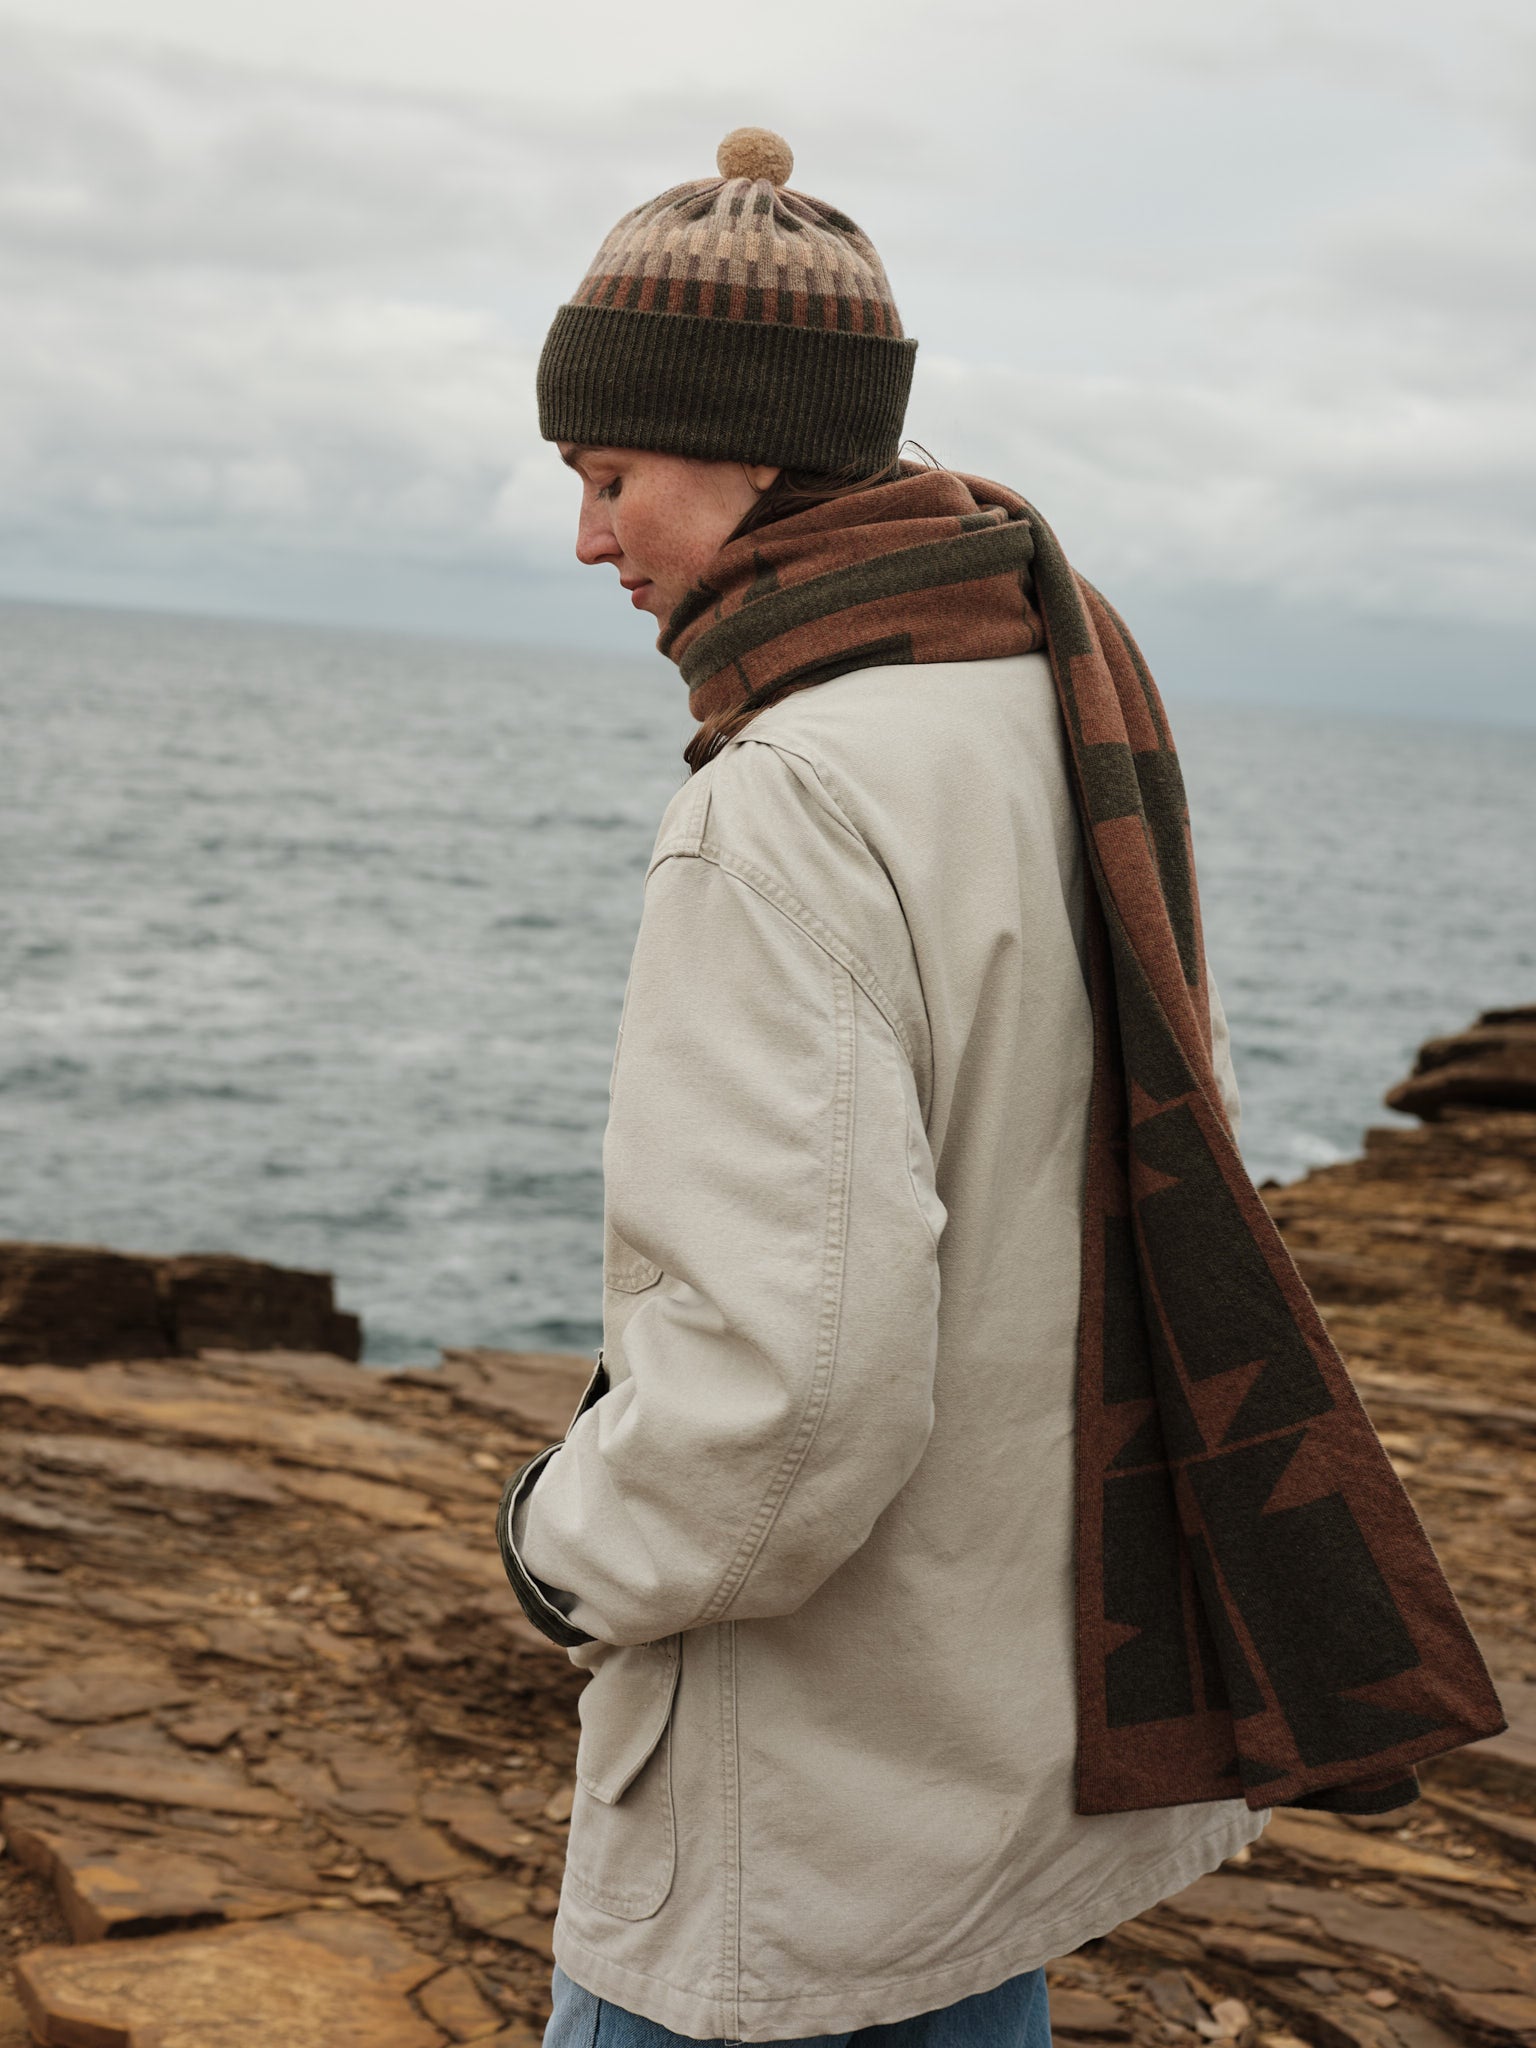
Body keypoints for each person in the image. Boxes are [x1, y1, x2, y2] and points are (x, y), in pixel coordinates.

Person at [498, 127, 1503, 2048]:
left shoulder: (784, 798)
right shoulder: (1042, 689)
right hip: (996, 1750)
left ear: (750, 445)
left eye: (608, 475)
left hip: (798, 1814)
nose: (589, 539)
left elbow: (786, 1393)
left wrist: (559, 1550)